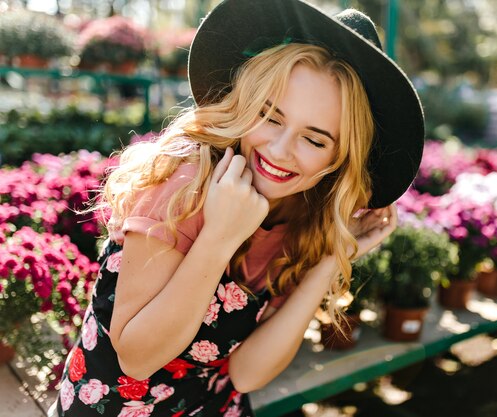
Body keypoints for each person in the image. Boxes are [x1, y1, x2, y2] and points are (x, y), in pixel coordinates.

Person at [49, 0, 424, 416]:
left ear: (340, 159)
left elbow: (246, 374)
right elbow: (136, 357)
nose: (280, 152)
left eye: (315, 140)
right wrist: (220, 236)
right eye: (270, 116)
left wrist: (332, 260)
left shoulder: (307, 216)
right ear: (245, 104)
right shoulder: (185, 178)